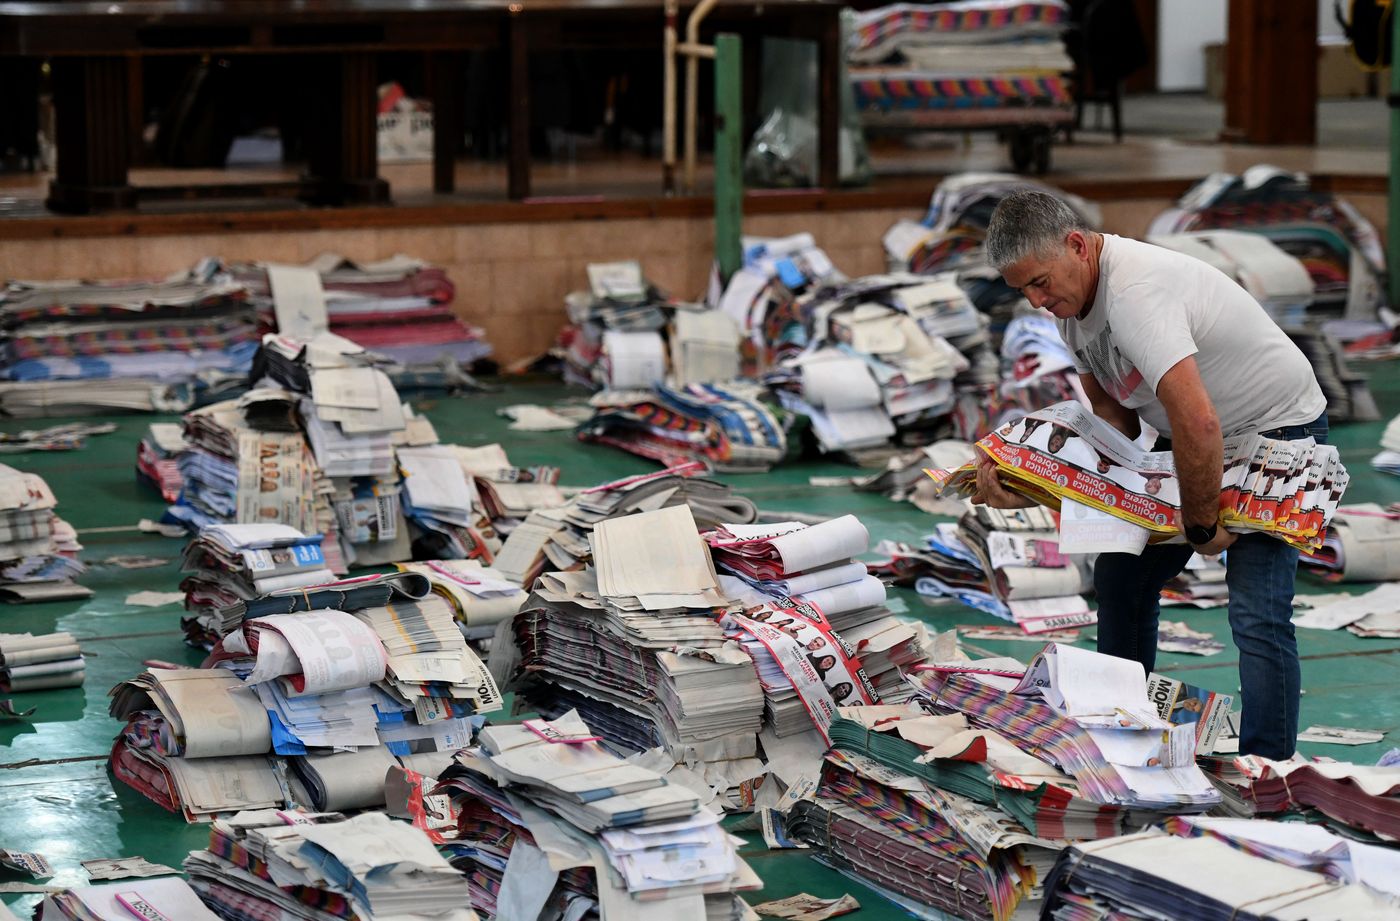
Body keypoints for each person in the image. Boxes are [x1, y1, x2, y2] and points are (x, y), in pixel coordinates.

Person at [975, 189, 1328, 760]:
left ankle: (1268, 772)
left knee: (1257, 610)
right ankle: (1118, 735)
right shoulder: (1071, 307)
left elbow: (1199, 422)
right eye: (1024, 291)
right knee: (1122, 579)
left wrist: (1200, 525)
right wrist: (1028, 472)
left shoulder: (1136, 292)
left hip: (1274, 435)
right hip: (1190, 432)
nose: (1038, 301)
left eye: (1041, 282)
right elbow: (1113, 424)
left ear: (1077, 246)